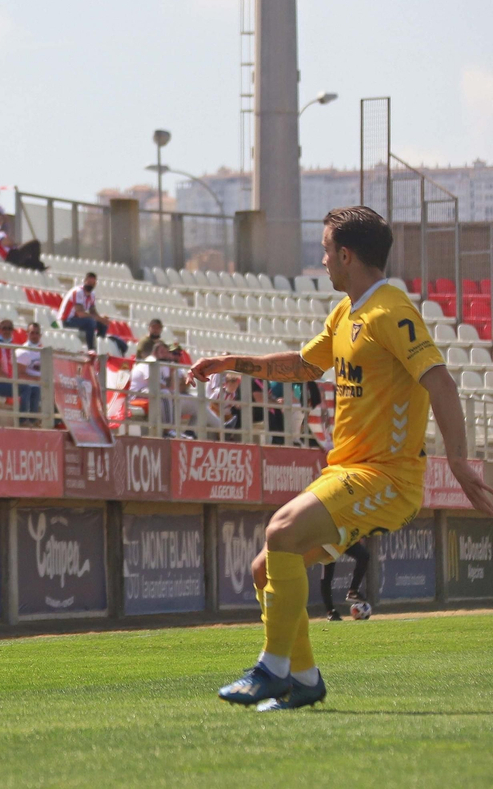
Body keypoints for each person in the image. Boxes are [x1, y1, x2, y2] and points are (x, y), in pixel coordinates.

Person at [194, 206, 493, 711]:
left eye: (327, 251)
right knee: (266, 569)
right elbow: (304, 365)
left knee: (281, 528)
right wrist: (233, 362)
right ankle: (305, 679)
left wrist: (459, 463)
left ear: (347, 255)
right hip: (349, 471)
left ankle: (271, 668)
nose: (324, 260)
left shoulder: (390, 311)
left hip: (388, 477)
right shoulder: (346, 312)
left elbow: (440, 381)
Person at [60, 272, 125, 354]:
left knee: (103, 324)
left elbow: (93, 312)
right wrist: (98, 318)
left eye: (92, 283)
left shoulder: (92, 295)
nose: (90, 285)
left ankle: (99, 346)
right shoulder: (78, 292)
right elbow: (80, 313)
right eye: (89, 282)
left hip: (78, 320)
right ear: (85, 281)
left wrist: (101, 319)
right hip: (67, 320)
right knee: (90, 322)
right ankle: (91, 349)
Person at [15, 322, 44, 421]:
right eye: (32, 333)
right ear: (27, 334)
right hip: (28, 385)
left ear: (40, 335)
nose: (35, 336)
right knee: (34, 390)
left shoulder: (43, 352)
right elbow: (19, 374)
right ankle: (28, 421)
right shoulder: (23, 352)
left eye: (37, 333)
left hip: (41, 384)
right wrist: (37, 379)